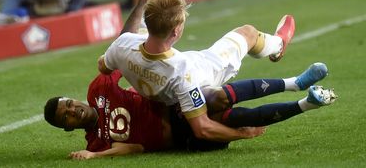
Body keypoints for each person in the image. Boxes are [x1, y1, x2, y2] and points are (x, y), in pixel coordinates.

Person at [98, 0, 297, 142]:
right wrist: (243, 134)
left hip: (157, 79)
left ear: (146, 22)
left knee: (138, 40)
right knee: (248, 33)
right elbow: (202, 129)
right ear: (176, 32)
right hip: (208, 69)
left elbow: (104, 67)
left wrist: (142, 3)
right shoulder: (182, 71)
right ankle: (278, 45)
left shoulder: (123, 44)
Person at [44, 64, 337, 160]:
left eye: (69, 104)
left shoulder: (98, 90)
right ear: (68, 127)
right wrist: (95, 156)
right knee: (239, 120)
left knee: (217, 97)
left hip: (173, 106)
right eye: (66, 116)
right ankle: (306, 103)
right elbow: (134, 146)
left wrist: (142, 4)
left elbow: (123, 52)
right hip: (185, 139)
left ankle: (294, 83)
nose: (74, 110)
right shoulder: (95, 143)